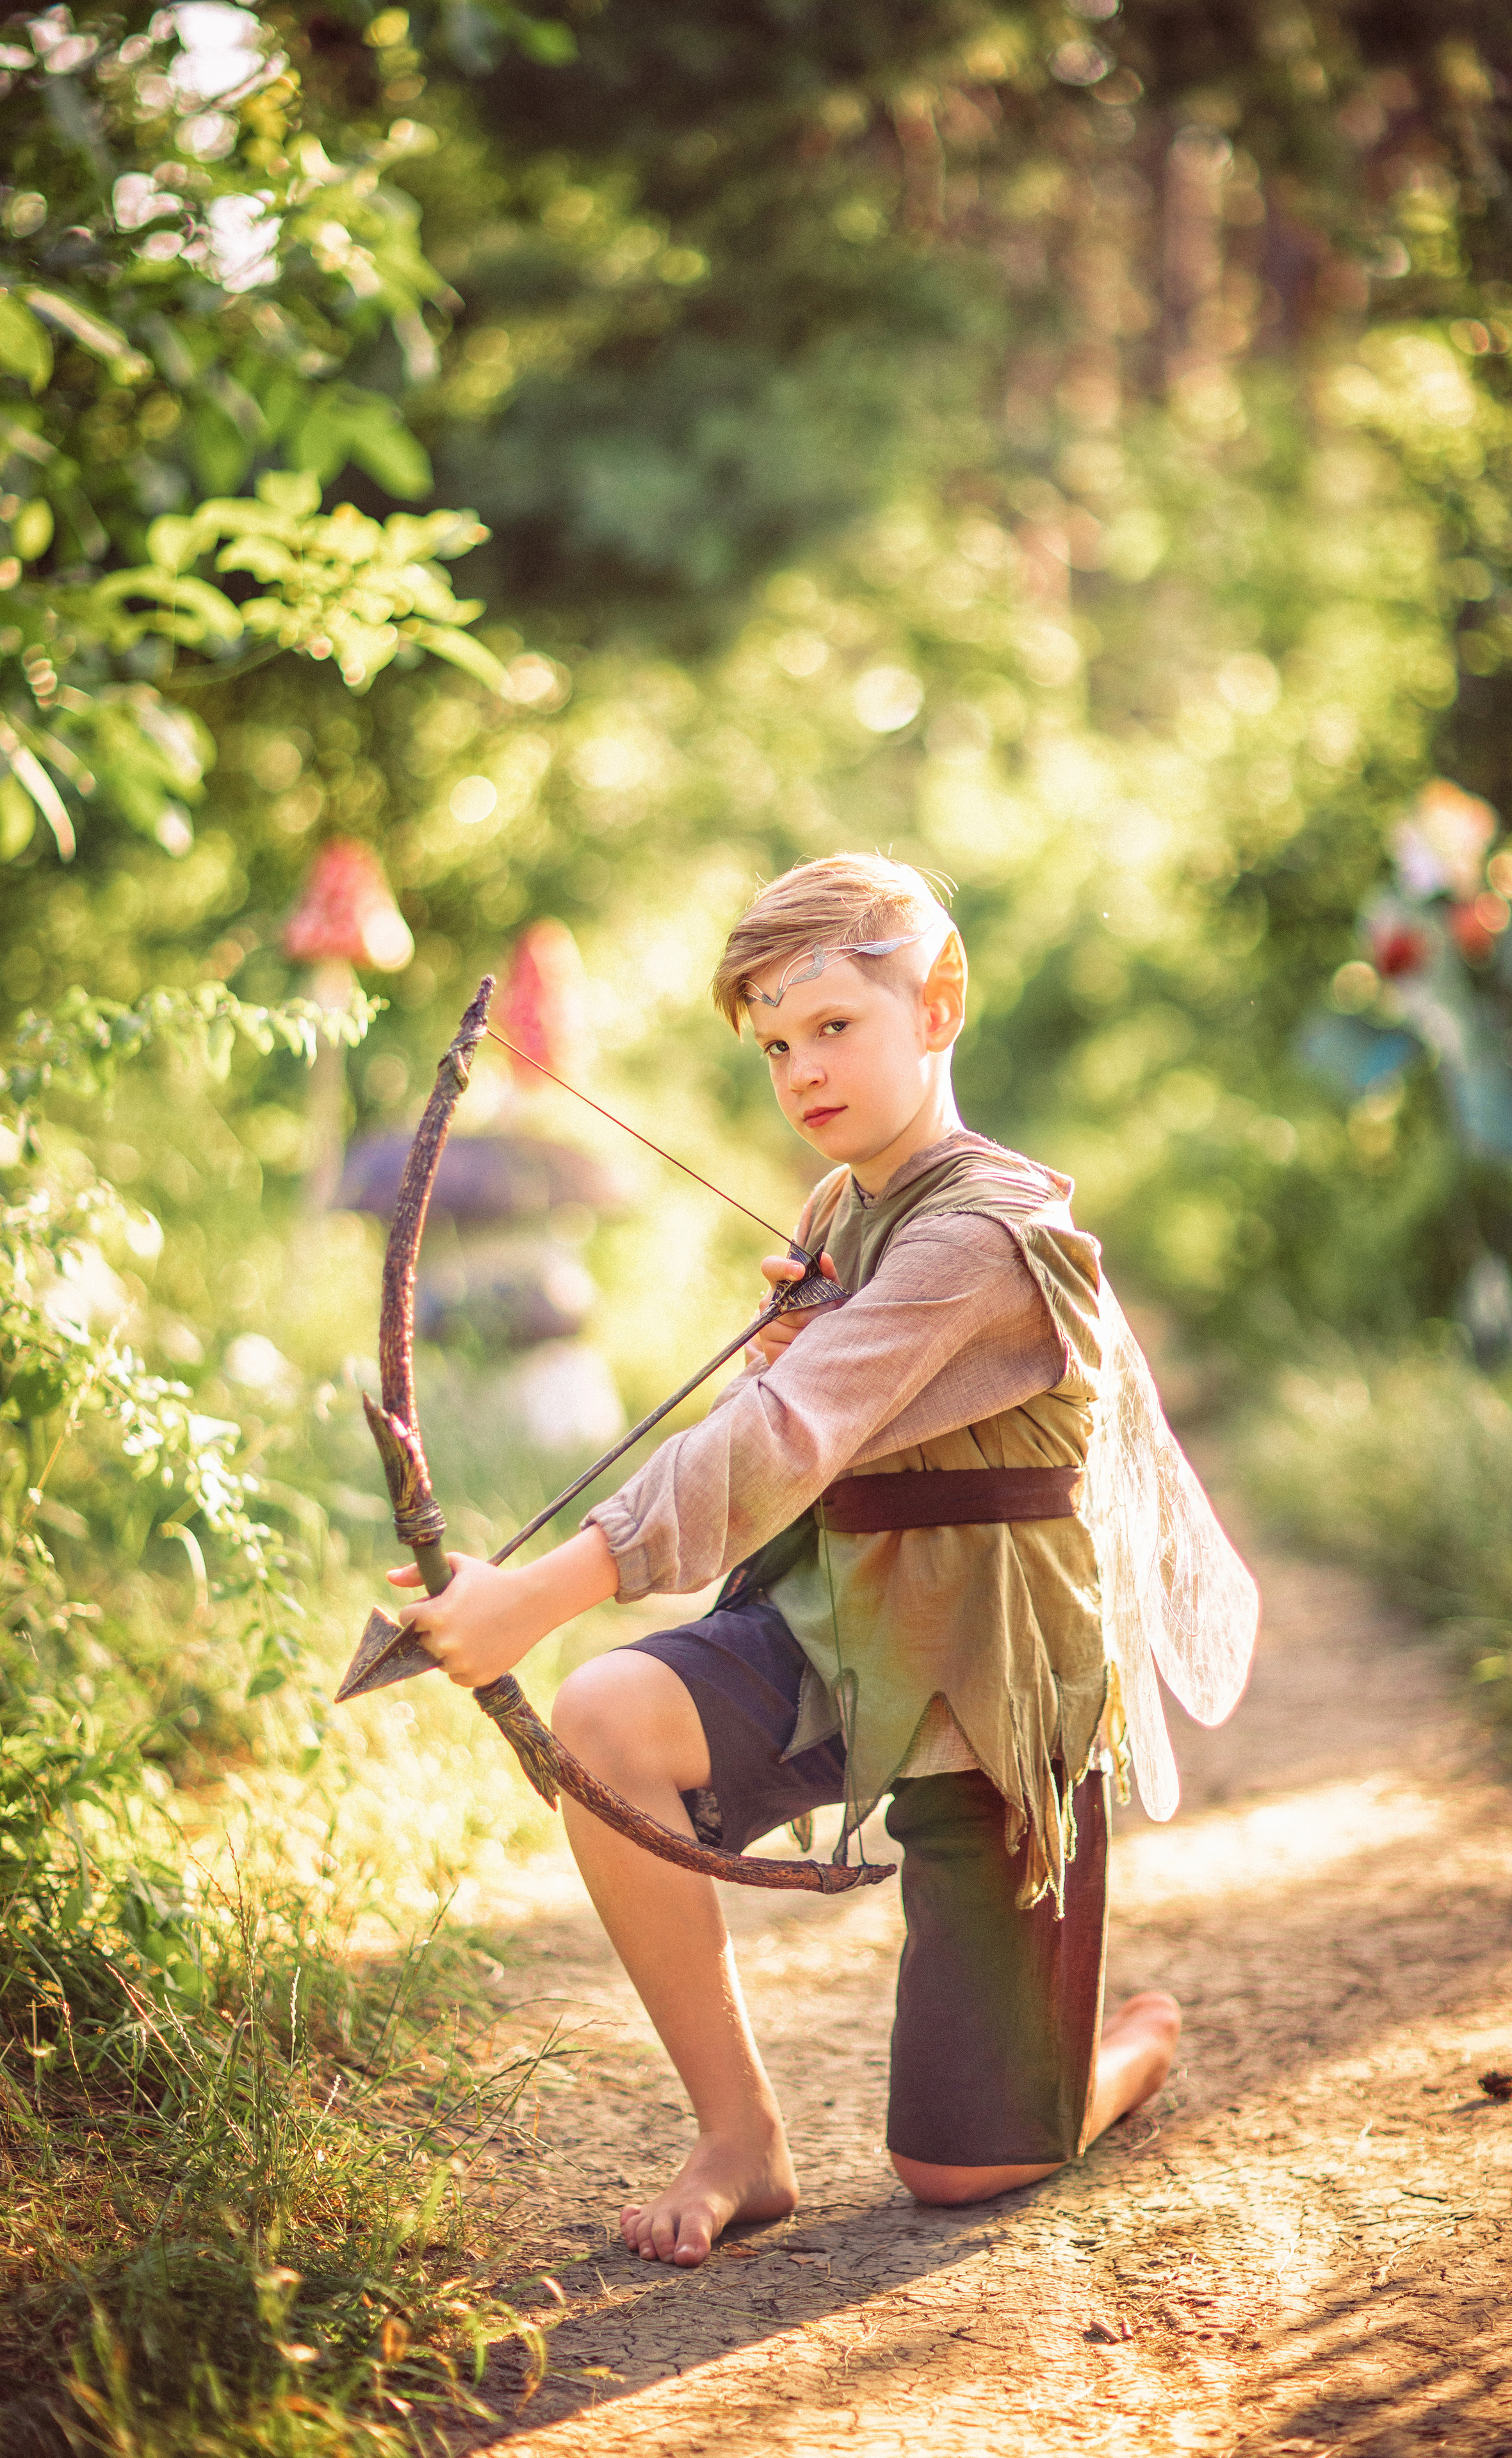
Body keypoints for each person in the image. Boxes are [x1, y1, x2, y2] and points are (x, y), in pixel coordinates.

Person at [386, 854, 1256, 2268]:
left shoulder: (988, 1233)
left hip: (991, 1690)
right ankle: (739, 2137)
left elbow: (782, 1434)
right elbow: (774, 1419)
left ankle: (1102, 2060)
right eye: (775, 1042)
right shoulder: (833, 1210)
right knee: (603, 1717)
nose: (801, 1067)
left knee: (963, 2164)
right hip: (838, 1627)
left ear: (938, 999)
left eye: (833, 1025)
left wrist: (532, 1595)